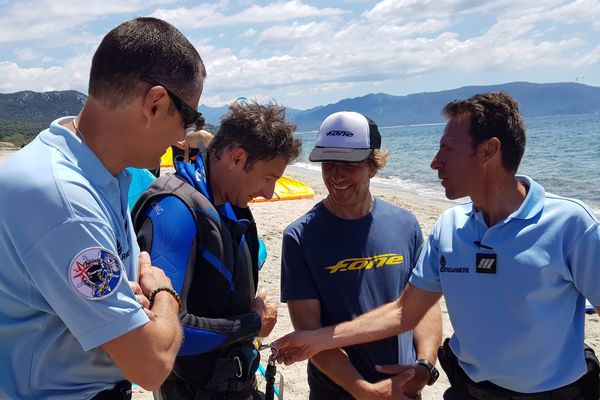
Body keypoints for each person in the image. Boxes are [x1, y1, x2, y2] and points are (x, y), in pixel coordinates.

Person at [273, 92, 600, 399]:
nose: (434, 162)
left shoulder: (571, 224)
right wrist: (314, 342)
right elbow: (406, 309)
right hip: (466, 391)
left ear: (488, 151)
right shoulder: (450, 226)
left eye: (448, 149)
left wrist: (424, 365)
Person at [0, 17, 206, 399]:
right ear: (155, 103)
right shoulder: (65, 199)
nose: (183, 136)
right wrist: (164, 293)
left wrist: (132, 312)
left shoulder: (99, 173)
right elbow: (152, 363)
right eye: (189, 116)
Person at [132, 100, 302, 400]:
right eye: (268, 178)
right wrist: (252, 323)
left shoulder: (232, 205)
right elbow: (165, 334)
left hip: (236, 383)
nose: (269, 192)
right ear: (237, 158)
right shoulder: (175, 210)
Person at [280, 111, 442, 399]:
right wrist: (364, 391)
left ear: (373, 166)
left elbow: (425, 305)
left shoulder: (406, 224)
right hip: (337, 392)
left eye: (349, 164)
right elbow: (309, 331)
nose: (336, 174)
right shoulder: (300, 236)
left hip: (403, 389)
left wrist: (425, 366)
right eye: (328, 164)